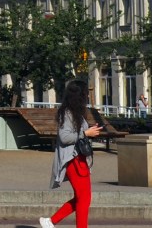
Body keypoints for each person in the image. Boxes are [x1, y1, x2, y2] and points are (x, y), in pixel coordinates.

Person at [39, 78, 101, 228]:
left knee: (82, 197)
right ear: (79, 95)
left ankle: (51, 221)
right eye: (85, 93)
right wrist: (86, 133)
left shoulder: (75, 112)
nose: (87, 96)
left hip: (79, 158)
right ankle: (53, 222)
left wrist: (89, 131)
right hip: (73, 159)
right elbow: (64, 137)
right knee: (84, 198)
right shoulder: (67, 113)